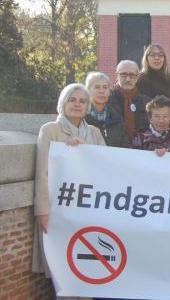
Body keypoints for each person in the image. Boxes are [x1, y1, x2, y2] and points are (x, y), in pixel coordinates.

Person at [32, 84, 105, 297]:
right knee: (63, 270)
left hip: (87, 210)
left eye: (82, 101)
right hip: (59, 210)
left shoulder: (94, 132)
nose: (77, 104)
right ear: (63, 103)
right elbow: (42, 170)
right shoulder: (50, 130)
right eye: (72, 99)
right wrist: (42, 210)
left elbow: (107, 166)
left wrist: (85, 151)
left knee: (87, 266)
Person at [137, 44, 170, 117]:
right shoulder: (140, 80)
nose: (157, 58)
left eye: (160, 55)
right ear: (146, 59)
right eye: (152, 55)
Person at [108, 60, 151, 142]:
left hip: (141, 150)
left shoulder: (147, 102)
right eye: (123, 75)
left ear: (137, 77)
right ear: (116, 75)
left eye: (132, 75)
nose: (128, 79)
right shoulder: (107, 99)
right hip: (114, 149)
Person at [84, 72, 129, 147]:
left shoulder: (117, 117)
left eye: (105, 87)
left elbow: (125, 146)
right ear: (88, 90)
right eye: (97, 87)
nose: (101, 91)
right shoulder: (80, 116)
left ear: (109, 92)